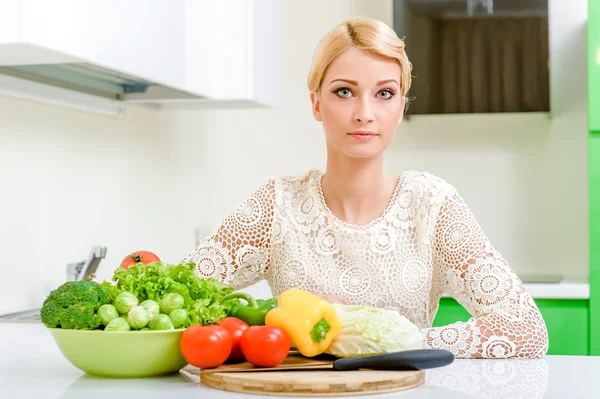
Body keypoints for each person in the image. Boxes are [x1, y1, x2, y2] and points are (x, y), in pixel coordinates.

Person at [182, 16, 549, 359]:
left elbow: (527, 329)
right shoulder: (278, 205)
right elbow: (180, 296)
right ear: (316, 104)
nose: (364, 113)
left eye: (384, 94)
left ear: (401, 107)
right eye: (344, 92)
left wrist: (394, 339)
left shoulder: (431, 204)